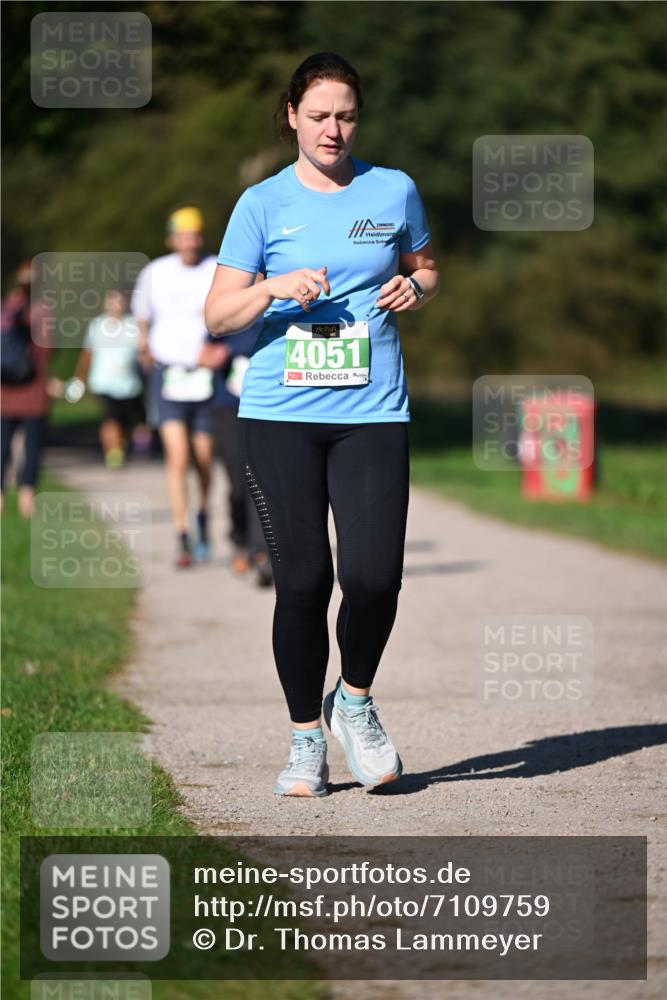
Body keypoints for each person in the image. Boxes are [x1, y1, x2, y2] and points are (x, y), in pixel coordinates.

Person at [206, 52, 439, 797]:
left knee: (373, 577)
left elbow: (427, 267)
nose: (332, 129)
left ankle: (355, 701)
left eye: (344, 115)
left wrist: (413, 286)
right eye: (317, 116)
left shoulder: (392, 189)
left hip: (372, 410)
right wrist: (272, 286)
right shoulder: (261, 204)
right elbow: (217, 315)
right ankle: (305, 737)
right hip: (279, 414)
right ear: (290, 117)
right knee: (303, 582)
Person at [131, 207, 218, 567]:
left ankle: (202, 513)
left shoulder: (215, 268)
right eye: (183, 235)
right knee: (177, 456)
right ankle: (182, 534)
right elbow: (142, 317)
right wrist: (143, 348)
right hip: (167, 375)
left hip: (205, 377)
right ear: (171, 239)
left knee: (203, 458)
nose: (190, 242)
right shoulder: (155, 272)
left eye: (195, 235)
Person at [202, 315, 274, 586]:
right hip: (229, 409)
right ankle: (240, 540)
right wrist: (220, 355)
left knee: (263, 480)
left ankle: (262, 553)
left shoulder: (282, 310)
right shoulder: (232, 311)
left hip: (270, 408)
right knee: (238, 484)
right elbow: (204, 355)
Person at [71, 289, 148, 470]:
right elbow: (87, 354)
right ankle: (112, 452)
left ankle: (121, 446)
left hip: (129, 383)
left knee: (125, 421)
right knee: (110, 418)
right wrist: (79, 378)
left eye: (119, 301)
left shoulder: (133, 325)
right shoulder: (97, 326)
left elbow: (143, 352)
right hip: (103, 382)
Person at [1, 261, 54, 518]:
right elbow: (47, 351)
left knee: (1, 448)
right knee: (32, 448)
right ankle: (26, 502)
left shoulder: (4, 308)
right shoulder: (42, 310)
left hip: (3, 393)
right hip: (33, 393)